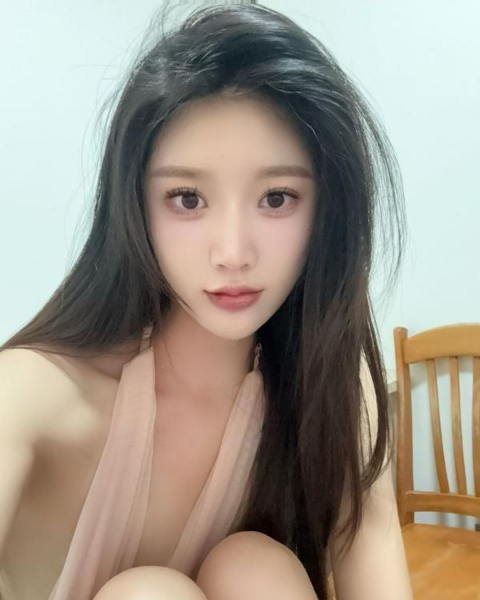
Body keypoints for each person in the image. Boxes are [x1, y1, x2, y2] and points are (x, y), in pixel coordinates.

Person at [0, 2, 414, 599]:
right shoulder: (40, 392)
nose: (233, 253)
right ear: (134, 206)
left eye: (277, 197)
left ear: (328, 210)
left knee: (254, 566)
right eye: (188, 199)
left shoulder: (330, 392)